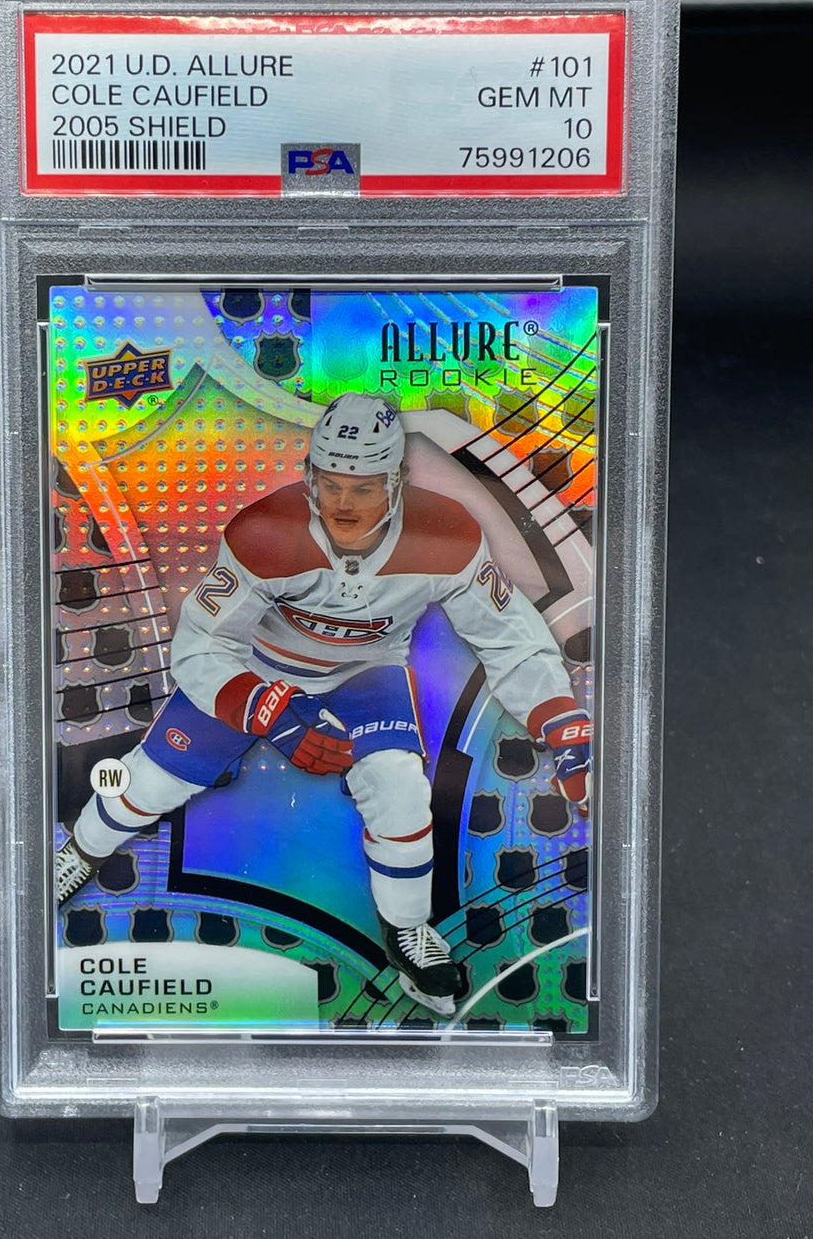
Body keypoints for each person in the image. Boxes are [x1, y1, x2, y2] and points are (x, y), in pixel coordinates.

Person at [56, 393, 591, 1016]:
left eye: (363, 488)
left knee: (399, 788)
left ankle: (407, 930)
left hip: (365, 673)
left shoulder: (446, 538)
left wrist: (561, 722)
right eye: (331, 483)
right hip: (258, 668)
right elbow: (203, 645)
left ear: (396, 480)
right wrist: (270, 714)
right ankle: (81, 851)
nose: (343, 503)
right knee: (151, 782)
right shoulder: (264, 532)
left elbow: (509, 638)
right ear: (310, 476)